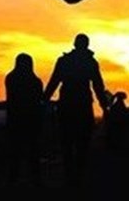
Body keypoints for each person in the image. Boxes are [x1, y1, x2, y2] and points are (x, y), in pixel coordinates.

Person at [43, 33, 110, 186]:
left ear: (75, 44)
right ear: (86, 45)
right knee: (82, 143)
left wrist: (44, 100)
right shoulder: (90, 62)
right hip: (82, 106)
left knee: (67, 142)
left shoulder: (64, 61)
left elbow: (54, 82)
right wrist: (104, 106)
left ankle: (70, 175)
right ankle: (78, 175)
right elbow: (98, 86)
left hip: (67, 105)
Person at [5, 52, 44, 186]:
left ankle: (13, 178)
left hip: (15, 119)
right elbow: (39, 100)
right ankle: (35, 178)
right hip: (31, 120)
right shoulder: (36, 82)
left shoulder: (10, 78)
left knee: (15, 151)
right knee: (33, 150)